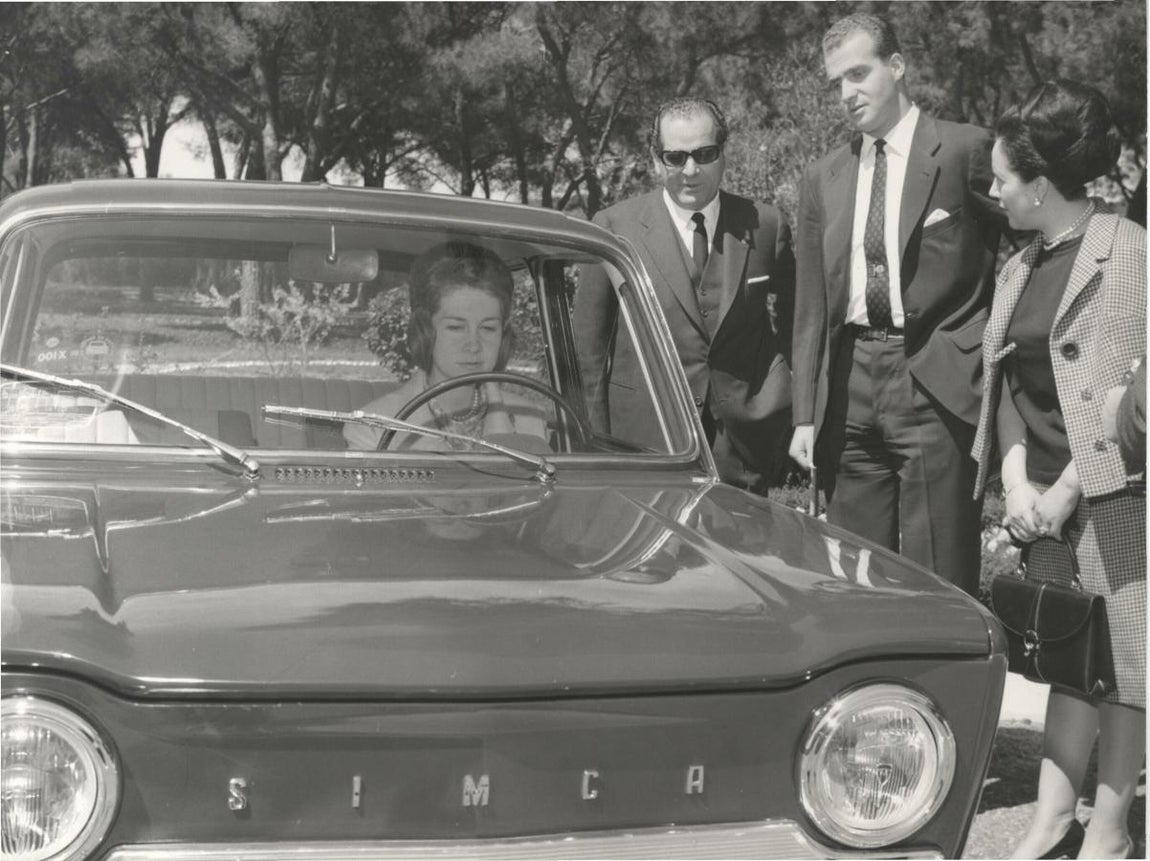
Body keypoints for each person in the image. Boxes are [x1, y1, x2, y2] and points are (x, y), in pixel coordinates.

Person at [971, 79, 1146, 860]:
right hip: (1040, 493)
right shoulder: (1018, 264)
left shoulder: (1132, 254)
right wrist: (1018, 484)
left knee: (1128, 667)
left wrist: (1071, 487)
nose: (993, 190)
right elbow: (1005, 382)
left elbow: (1136, 388)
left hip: (1118, 499)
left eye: (1001, 178)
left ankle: (1107, 831)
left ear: (1038, 185)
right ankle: (1049, 821)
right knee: (1074, 664)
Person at [788, 13, 1004, 594]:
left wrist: (987, 347)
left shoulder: (965, 151)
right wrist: (806, 412)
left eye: (859, 73)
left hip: (937, 380)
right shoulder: (823, 177)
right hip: (850, 384)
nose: (847, 93)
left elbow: (1020, 250)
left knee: (943, 570)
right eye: (837, 81)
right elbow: (811, 303)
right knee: (855, 573)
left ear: (898, 66)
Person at [573, 96, 795, 494]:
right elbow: (587, 356)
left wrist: (784, 404)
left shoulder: (765, 226)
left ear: (723, 154)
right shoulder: (612, 228)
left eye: (704, 154)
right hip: (644, 444)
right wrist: (596, 446)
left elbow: (800, 324)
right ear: (656, 160)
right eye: (676, 157)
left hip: (744, 450)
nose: (690, 170)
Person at [344, 241, 547, 451]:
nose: (473, 345)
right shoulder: (374, 428)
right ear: (425, 330)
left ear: (503, 335)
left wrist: (495, 396)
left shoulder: (530, 419)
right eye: (456, 328)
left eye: (488, 328)